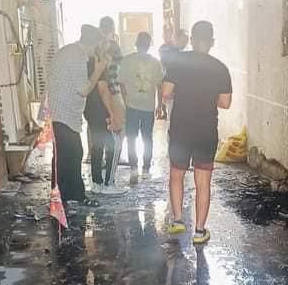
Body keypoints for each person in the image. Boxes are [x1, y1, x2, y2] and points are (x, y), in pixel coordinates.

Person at [161, 20, 232, 246]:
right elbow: (225, 102)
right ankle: (200, 231)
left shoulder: (178, 62)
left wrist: (184, 94)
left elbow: (165, 92)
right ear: (212, 42)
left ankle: (178, 220)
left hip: (181, 129)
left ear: (191, 40)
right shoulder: (220, 68)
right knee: (203, 181)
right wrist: (206, 97)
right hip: (206, 131)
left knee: (176, 174)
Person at [46, 24, 106, 208]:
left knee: (70, 154)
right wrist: (98, 71)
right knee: (68, 155)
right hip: (62, 113)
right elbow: (84, 90)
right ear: (94, 43)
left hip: (61, 112)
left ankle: (68, 195)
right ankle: (65, 198)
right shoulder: (77, 57)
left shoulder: (71, 51)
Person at [84, 18, 127, 195]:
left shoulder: (88, 61)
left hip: (90, 107)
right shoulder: (101, 64)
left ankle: (97, 183)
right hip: (102, 106)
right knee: (114, 144)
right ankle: (109, 184)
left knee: (97, 144)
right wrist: (113, 113)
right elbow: (103, 89)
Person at [120, 31, 164, 183]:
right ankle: (145, 169)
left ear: (136, 44)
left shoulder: (127, 60)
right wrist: (159, 105)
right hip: (148, 106)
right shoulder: (155, 63)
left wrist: (124, 101)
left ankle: (133, 168)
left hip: (131, 105)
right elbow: (159, 86)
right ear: (149, 45)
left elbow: (121, 84)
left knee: (131, 138)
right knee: (147, 138)